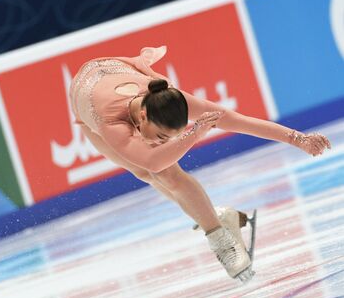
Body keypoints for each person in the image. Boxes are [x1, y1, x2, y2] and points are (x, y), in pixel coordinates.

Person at [69, 45, 332, 282]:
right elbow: (153, 160)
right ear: (143, 115)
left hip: (114, 74)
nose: (163, 142)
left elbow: (238, 120)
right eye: (161, 136)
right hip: (87, 102)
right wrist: (192, 135)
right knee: (147, 171)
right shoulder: (111, 121)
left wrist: (298, 138)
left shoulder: (169, 98)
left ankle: (220, 238)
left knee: (169, 175)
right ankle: (216, 217)